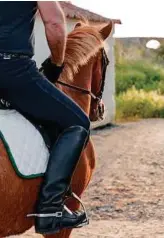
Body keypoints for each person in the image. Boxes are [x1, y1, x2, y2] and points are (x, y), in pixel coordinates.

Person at [0, 1, 90, 235]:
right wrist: (57, 64)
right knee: (77, 122)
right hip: (11, 71)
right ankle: (51, 209)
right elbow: (54, 23)